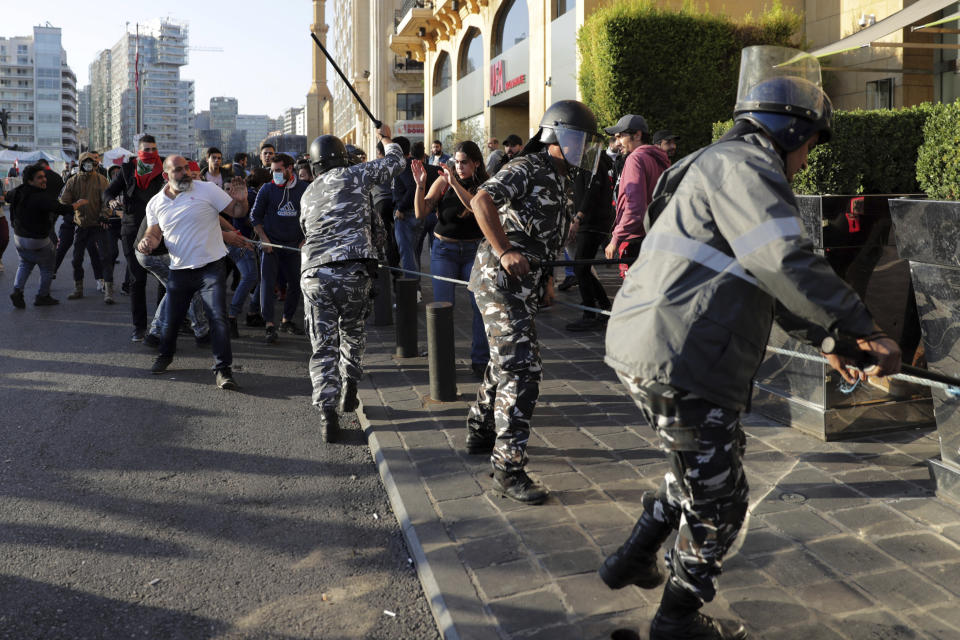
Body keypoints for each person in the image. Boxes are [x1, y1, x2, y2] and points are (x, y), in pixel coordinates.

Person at [599, 46, 903, 640]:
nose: (807, 161)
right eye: (811, 145)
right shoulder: (748, 166)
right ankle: (677, 620)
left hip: (652, 347)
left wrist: (825, 337)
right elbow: (783, 259)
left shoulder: (713, 162)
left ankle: (633, 557)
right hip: (681, 356)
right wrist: (864, 326)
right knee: (720, 504)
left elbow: (758, 276)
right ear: (791, 131)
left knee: (701, 468)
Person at [466, 100, 603, 505]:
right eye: (578, 140)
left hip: (525, 284)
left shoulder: (563, 179)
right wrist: (506, 250)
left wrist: (546, 281)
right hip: (499, 280)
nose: (584, 149)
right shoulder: (528, 167)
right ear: (555, 136)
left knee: (506, 360)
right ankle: (507, 469)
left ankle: (479, 427)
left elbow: (546, 238)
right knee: (522, 367)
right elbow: (481, 201)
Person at [300, 125, 404, 442]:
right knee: (353, 331)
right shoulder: (355, 175)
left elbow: (306, 230)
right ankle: (351, 383)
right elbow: (396, 162)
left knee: (322, 348)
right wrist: (387, 139)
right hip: (352, 274)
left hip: (315, 276)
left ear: (315, 165)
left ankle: (327, 414)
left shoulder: (307, 195)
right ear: (343, 158)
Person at [137, 155, 251, 389]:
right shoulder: (156, 203)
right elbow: (154, 233)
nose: (185, 174)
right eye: (178, 170)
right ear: (165, 175)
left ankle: (223, 370)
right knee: (172, 320)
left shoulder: (207, 189)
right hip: (179, 269)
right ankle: (165, 355)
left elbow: (237, 212)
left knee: (217, 318)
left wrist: (241, 201)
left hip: (211, 267)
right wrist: (146, 242)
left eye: (187, 169)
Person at [413, 140, 491, 377]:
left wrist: (455, 183)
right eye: (456, 162)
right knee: (443, 308)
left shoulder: (485, 185)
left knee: (480, 307)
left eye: (464, 162)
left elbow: (475, 207)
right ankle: (443, 362)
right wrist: (420, 185)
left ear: (476, 163)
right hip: (444, 251)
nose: (458, 167)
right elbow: (420, 212)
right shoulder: (444, 181)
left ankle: (480, 360)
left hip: (473, 252)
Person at [103, 135, 168, 341]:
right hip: (131, 227)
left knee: (162, 279)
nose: (150, 153)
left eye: (153, 149)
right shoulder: (127, 169)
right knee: (137, 279)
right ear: (138, 151)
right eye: (146, 150)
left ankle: (160, 325)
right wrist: (112, 201)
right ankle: (139, 327)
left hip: (160, 228)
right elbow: (108, 192)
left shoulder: (165, 167)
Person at [6, 164, 88, 307]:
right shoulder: (41, 197)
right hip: (38, 241)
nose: (44, 180)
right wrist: (78, 203)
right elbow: (62, 209)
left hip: (19, 239)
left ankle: (17, 291)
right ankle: (42, 296)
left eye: (44, 176)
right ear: (30, 181)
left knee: (25, 263)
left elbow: (7, 197)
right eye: (40, 178)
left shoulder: (17, 191)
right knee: (48, 267)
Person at [603, 114, 670, 277]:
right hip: (656, 238)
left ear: (638, 135)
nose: (617, 143)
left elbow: (635, 208)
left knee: (632, 298)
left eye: (621, 136)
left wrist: (615, 239)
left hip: (635, 241)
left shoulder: (635, 159)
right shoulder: (658, 159)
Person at [251, 153, 308, 343]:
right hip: (271, 245)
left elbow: (313, 217)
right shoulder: (267, 189)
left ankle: (287, 320)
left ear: (290, 169)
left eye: (278, 170)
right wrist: (264, 239)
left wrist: (305, 240)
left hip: (294, 246)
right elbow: (255, 218)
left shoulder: (304, 189)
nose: (274, 174)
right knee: (267, 284)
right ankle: (269, 325)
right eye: (272, 171)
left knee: (295, 283)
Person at [565, 149, 615, 331]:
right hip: (591, 222)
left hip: (592, 222)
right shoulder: (588, 159)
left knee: (580, 267)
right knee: (582, 267)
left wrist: (578, 217)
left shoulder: (592, 159)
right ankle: (603, 308)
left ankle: (591, 313)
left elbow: (592, 190)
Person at [59, 152, 115, 303]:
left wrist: (105, 214)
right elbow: (64, 202)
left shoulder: (101, 180)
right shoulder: (73, 181)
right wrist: (72, 211)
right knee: (76, 259)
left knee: (105, 257)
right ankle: (78, 288)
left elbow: (107, 201)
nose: (88, 165)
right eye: (85, 162)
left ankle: (108, 291)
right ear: (80, 163)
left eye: (91, 162)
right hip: (81, 226)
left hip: (98, 225)